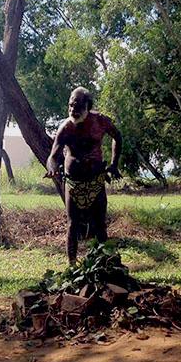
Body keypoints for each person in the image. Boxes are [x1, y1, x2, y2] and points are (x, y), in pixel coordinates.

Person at [46, 87, 122, 265]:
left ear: (88, 106)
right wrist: (52, 168)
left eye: (78, 106)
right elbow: (53, 156)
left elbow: (117, 137)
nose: (73, 110)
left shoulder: (101, 121)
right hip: (74, 183)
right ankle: (72, 265)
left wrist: (114, 164)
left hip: (96, 180)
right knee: (73, 224)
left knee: (100, 224)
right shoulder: (66, 128)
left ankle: (104, 264)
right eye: (71, 105)